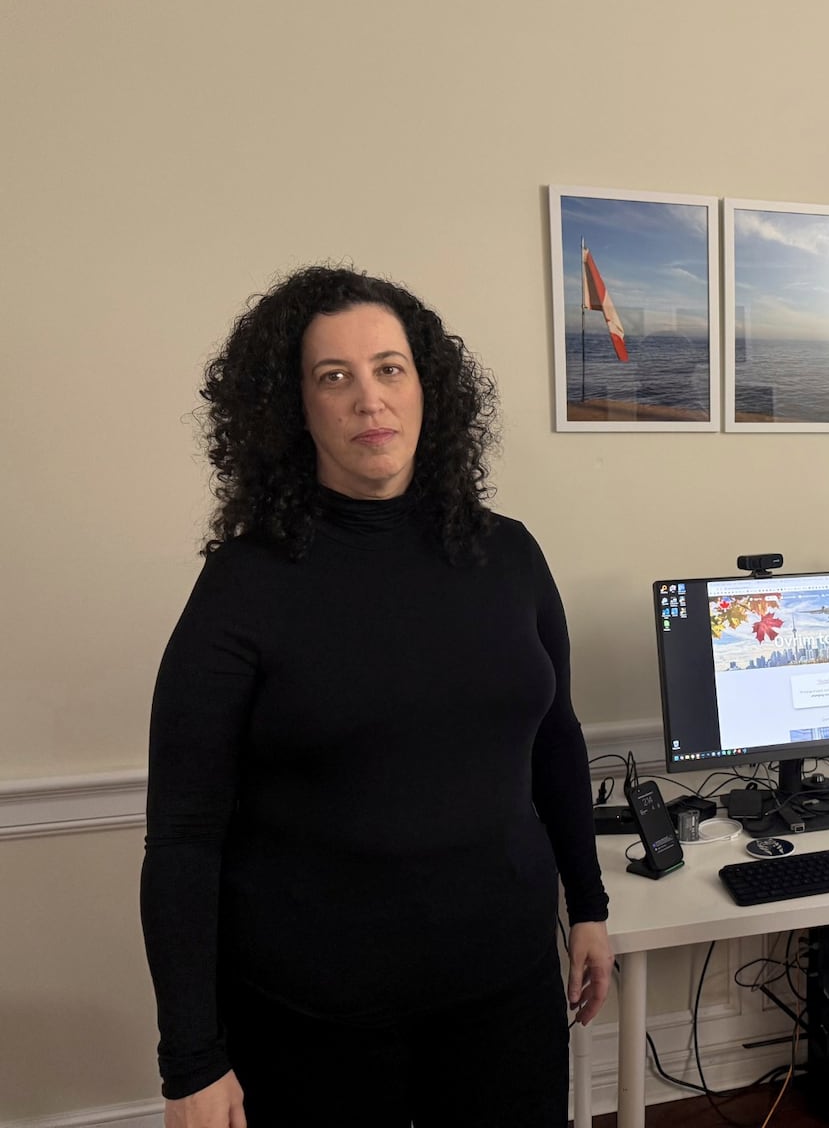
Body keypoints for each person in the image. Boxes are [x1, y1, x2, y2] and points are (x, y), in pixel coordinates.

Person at [141, 266, 612, 1128]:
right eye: (335, 376)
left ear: (428, 388)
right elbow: (181, 836)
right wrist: (192, 1061)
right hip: (313, 1020)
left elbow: (556, 742)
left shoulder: (509, 556)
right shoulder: (245, 586)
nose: (369, 399)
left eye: (390, 368)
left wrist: (589, 906)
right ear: (295, 408)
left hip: (505, 992)